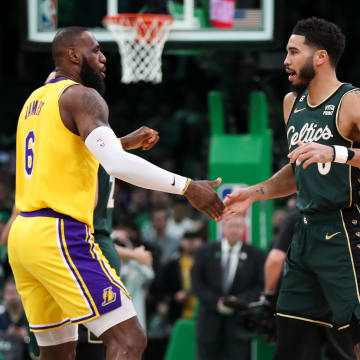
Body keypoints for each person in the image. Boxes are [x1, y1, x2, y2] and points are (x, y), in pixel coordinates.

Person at [8, 26, 224, 360]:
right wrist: (187, 186)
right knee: (130, 340)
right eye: (95, 50)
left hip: (24, 236)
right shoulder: (84, 97)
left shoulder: (34, 102)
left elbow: (70, 156)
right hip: (59, 234)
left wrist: (120, 142)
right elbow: (117, 165)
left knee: (58, 353)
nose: (104, 57)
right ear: (74, 55)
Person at [223, 17, 360, 359]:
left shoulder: (351, 100)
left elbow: (328, 155)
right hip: (305, 233)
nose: (285, 60)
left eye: (293, 51)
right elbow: (295, 169)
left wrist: (337, 151)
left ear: (320, 57)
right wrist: (253, 193)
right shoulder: (291, 104)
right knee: (291, 341)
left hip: (346, 230)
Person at [191, 215, 265, 360]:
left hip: (239, 325)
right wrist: (217, 302)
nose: (234, 230)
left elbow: (260, 286)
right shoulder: (204, 251)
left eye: (238, 226)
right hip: (208, 323)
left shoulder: (256, 255)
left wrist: (237, 301)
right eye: (230, 226)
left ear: (244, 229)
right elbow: (197, 283)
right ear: (223, 228)